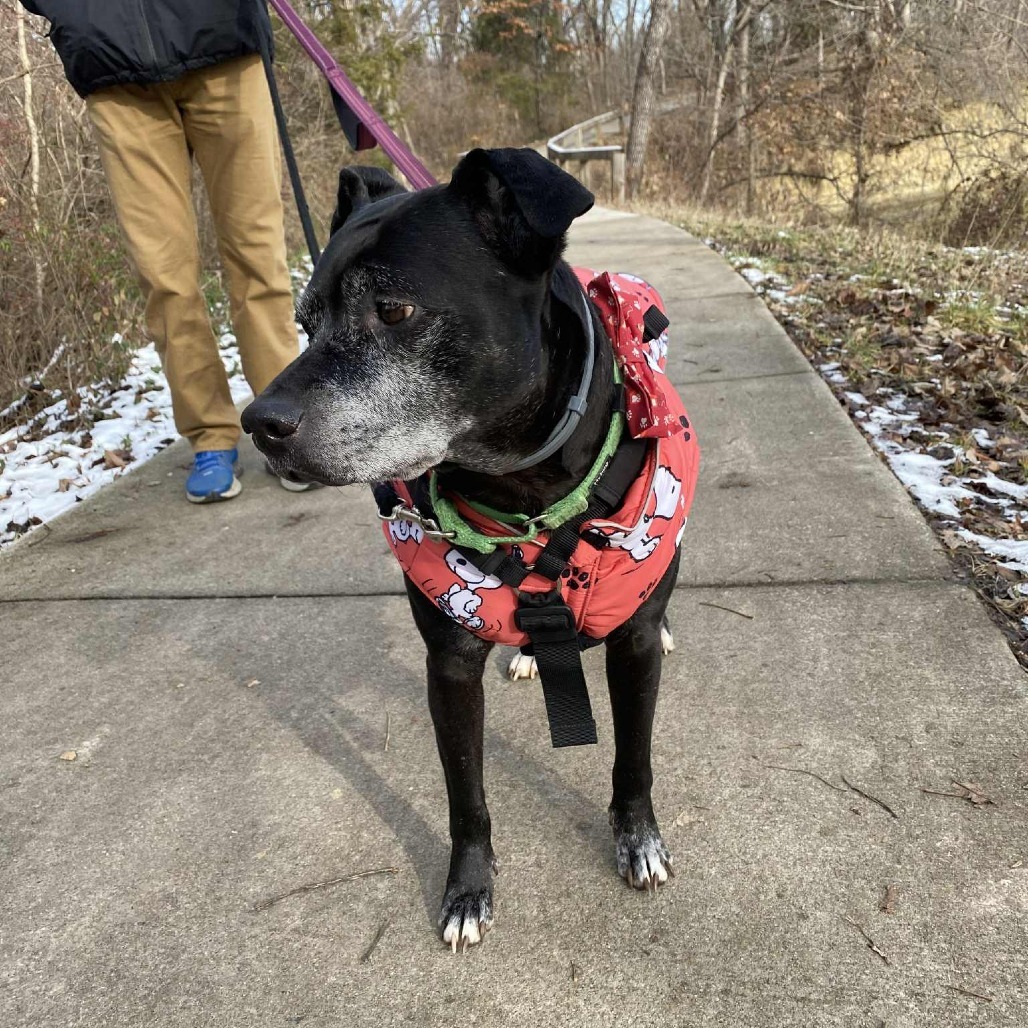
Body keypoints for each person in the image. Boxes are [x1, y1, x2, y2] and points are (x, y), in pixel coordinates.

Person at [20, 0, 311, 502]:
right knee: (163, 274)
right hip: (113, 63)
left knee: (257, 254)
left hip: (223, 38)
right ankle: (210, 436)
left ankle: (286, 423)